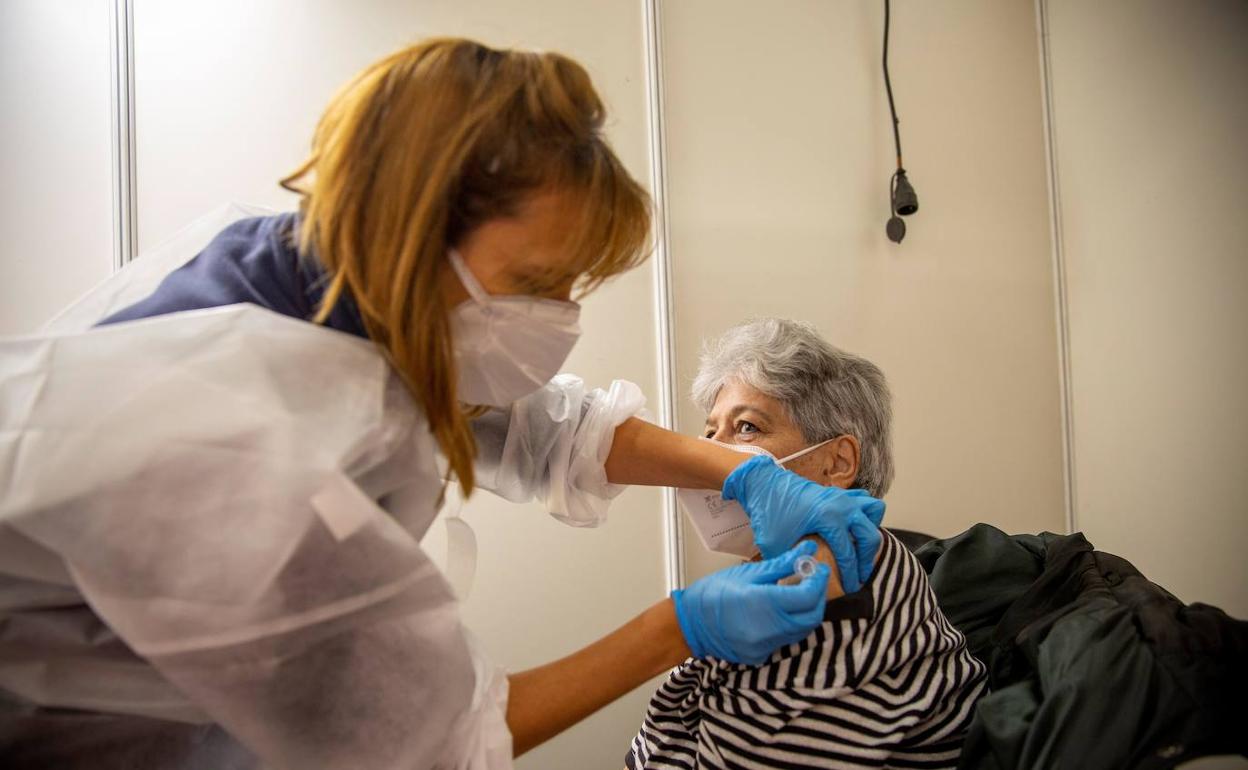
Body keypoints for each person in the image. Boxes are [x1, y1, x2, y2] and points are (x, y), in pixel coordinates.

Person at [0, 39, 885, 768]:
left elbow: (536, 422)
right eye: (536, 282)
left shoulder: (300, 279)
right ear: (414, 221)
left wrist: (742, 474)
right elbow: (428, 743)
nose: (557, 319)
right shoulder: (239, 438)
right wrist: (684, 623)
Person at [626, 319, 987, 769]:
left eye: (746, 428)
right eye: (710, 431)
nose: (710, 453)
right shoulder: (784, 570)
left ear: (838, 462)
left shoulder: (840, 579)